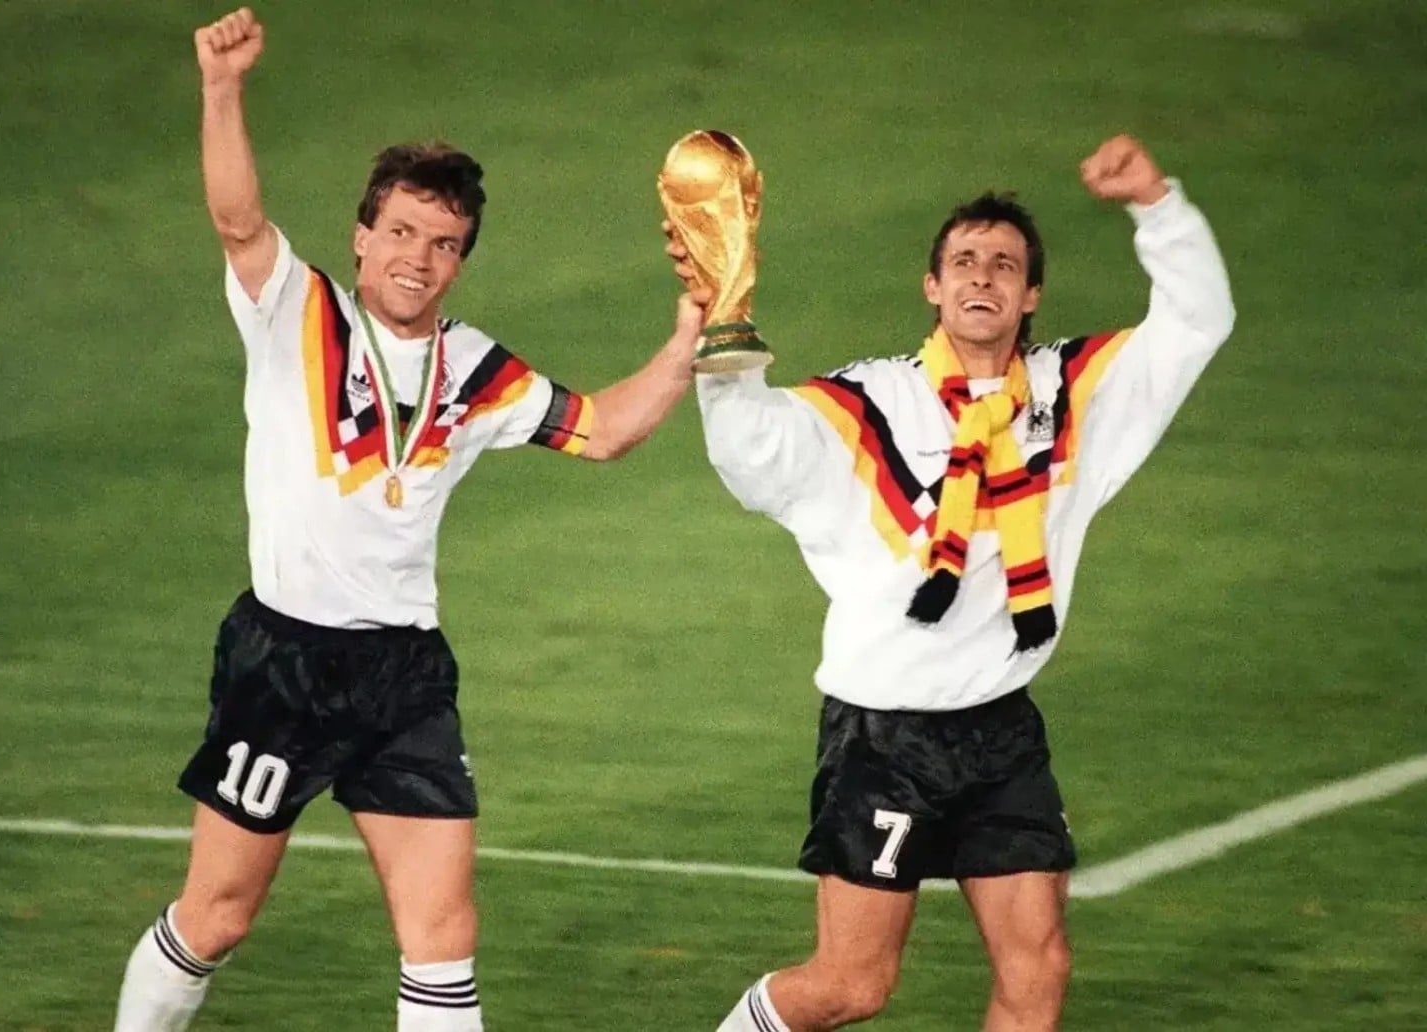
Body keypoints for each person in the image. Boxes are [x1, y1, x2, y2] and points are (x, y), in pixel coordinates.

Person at [113, 8, 702, 1031]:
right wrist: (221, 88)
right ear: (361, 236)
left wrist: (692, 329)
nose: (418, 260)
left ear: (461, 260)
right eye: (400, 233)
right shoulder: (296, 312)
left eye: (442, 244)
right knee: (217, 915)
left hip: (404, 677)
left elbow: (604, 430)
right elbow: (240, 223)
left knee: (442, 935)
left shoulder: (475, 369)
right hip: (284, 664)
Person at [669, 135, 1235, 1031]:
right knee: (852, 986)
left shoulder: (1074, 396)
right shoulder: (870, 406)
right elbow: (754, 458)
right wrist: (725, 332)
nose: (984, 276)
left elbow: (1196, 322)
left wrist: (1156, 205)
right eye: (964, 261)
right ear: (932, 287)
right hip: (882, 737)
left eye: (1005, 265)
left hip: (1001, 730)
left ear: (1031, 295)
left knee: (1039, 967)